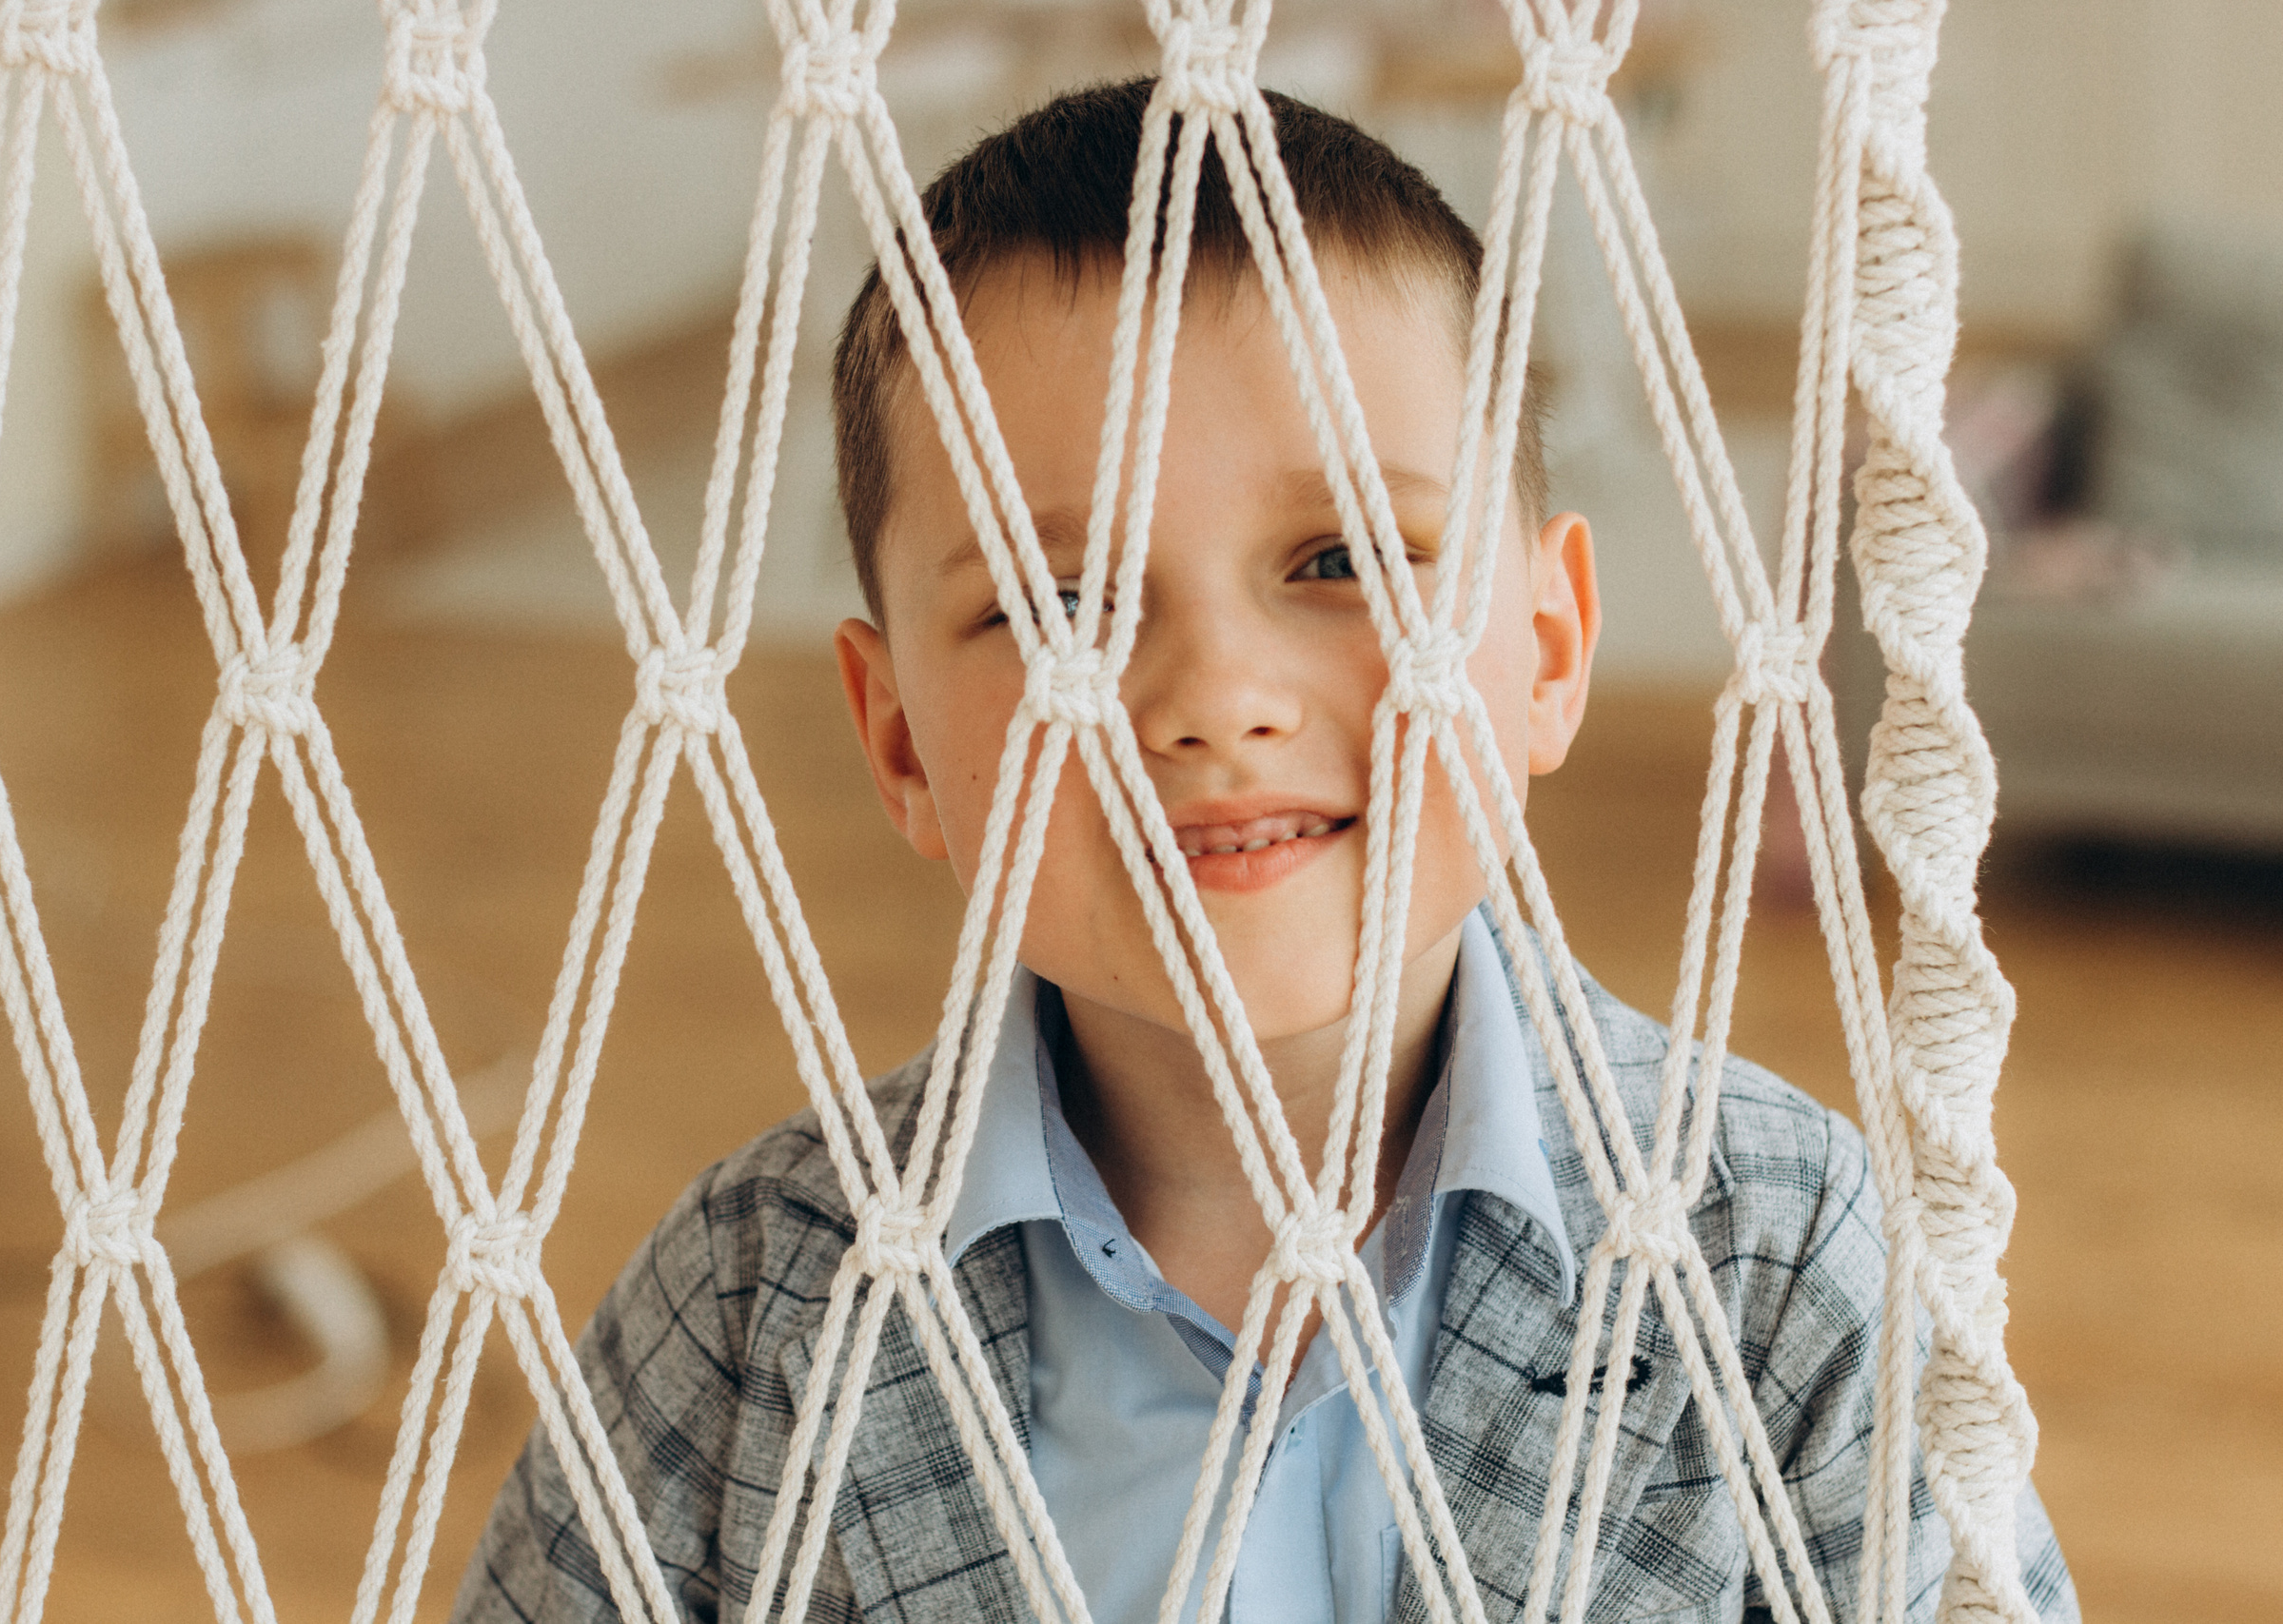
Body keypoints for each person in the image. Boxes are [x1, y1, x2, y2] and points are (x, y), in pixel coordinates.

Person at [453, 80, 2077, 1624]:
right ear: (898, 745)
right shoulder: (760, 1303)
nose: (1217, 702)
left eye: (1338, 556)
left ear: (1550, 648)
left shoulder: (1774, 1252)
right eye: (1057, 600)